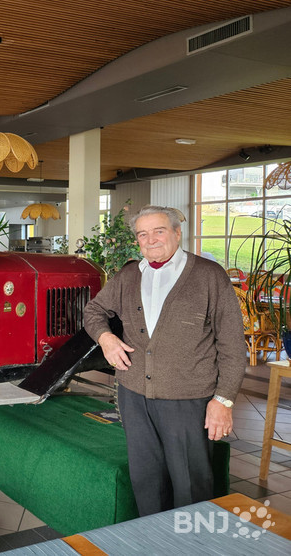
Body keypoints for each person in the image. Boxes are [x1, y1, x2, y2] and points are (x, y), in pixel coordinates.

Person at [83, 205, 246, 516]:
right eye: (143, 234)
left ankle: (191, 547)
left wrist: (223, 401)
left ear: (177, 233)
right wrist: (105, 339)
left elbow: (232, 345)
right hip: (133, 396)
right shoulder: (129, 275)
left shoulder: (209, 276)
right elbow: (93, 312)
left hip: (188, 400)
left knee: (191, 484)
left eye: (158, 231)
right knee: (146, 481)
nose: (151, 240)